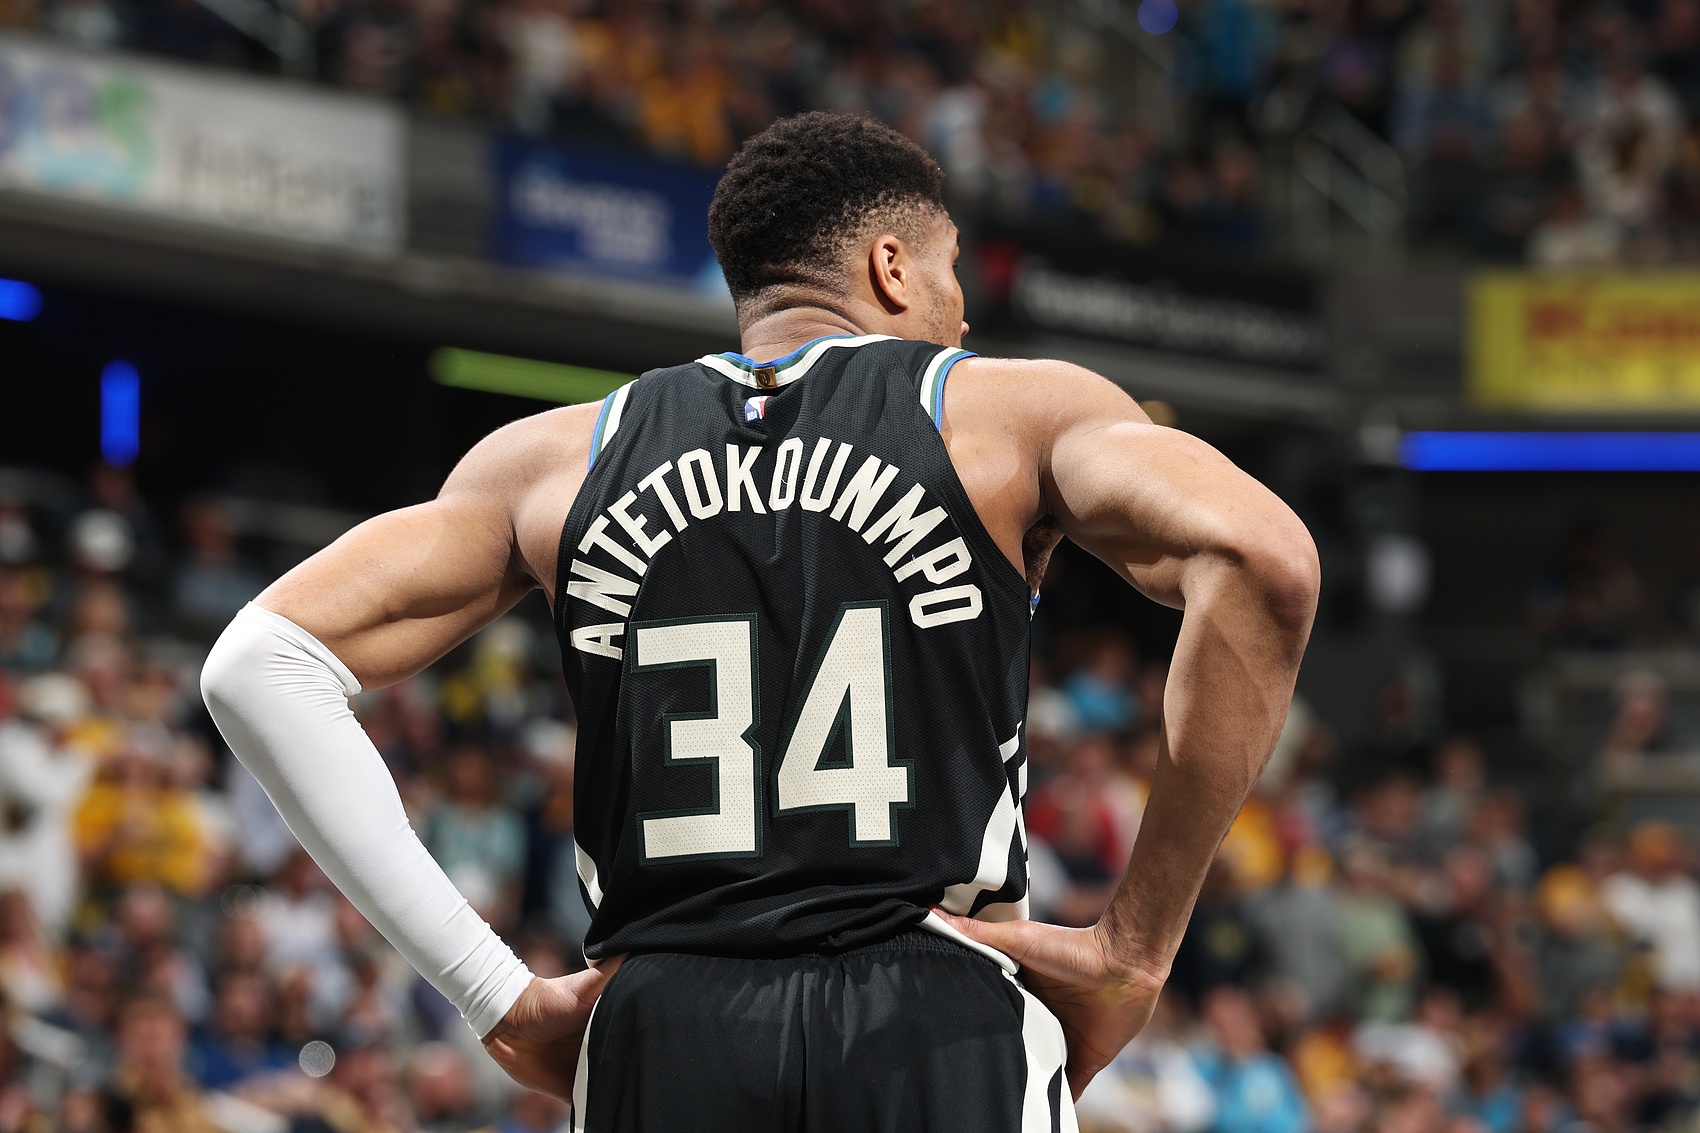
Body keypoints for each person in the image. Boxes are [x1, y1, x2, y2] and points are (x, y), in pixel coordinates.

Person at [200, 112, 1318, 1131]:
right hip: (936, 1013)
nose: (963, 310)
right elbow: (1262, 557)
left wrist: (491, 991)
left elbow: (258, 665)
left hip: (661, 1029)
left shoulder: (551, 461)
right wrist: (1136, 944)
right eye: (949, 272)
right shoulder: (1002, 411)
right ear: (890, 267)